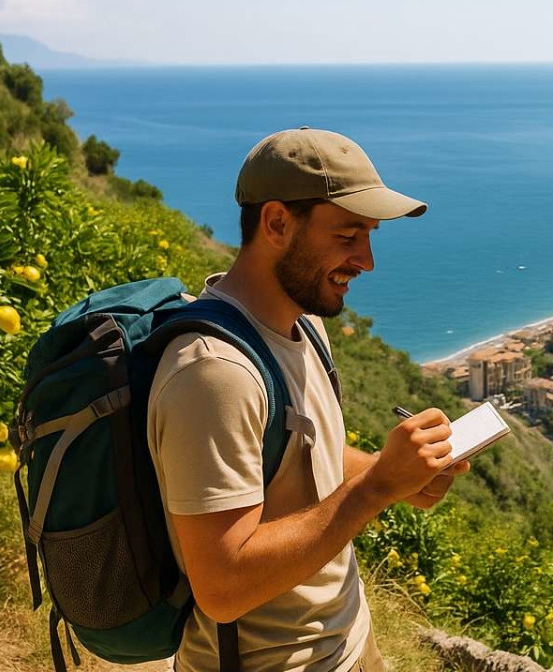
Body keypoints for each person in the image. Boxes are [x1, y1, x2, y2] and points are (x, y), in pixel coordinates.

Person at [147, 127, 470, 671]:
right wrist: (376, 487)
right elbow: (222, 587)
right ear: (276, 223)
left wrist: (398, 475)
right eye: (348, 235)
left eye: (369, 236)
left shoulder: (304, 324)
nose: (366, 260)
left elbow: (307, 457)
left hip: (349, 641)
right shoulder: (214, 374)